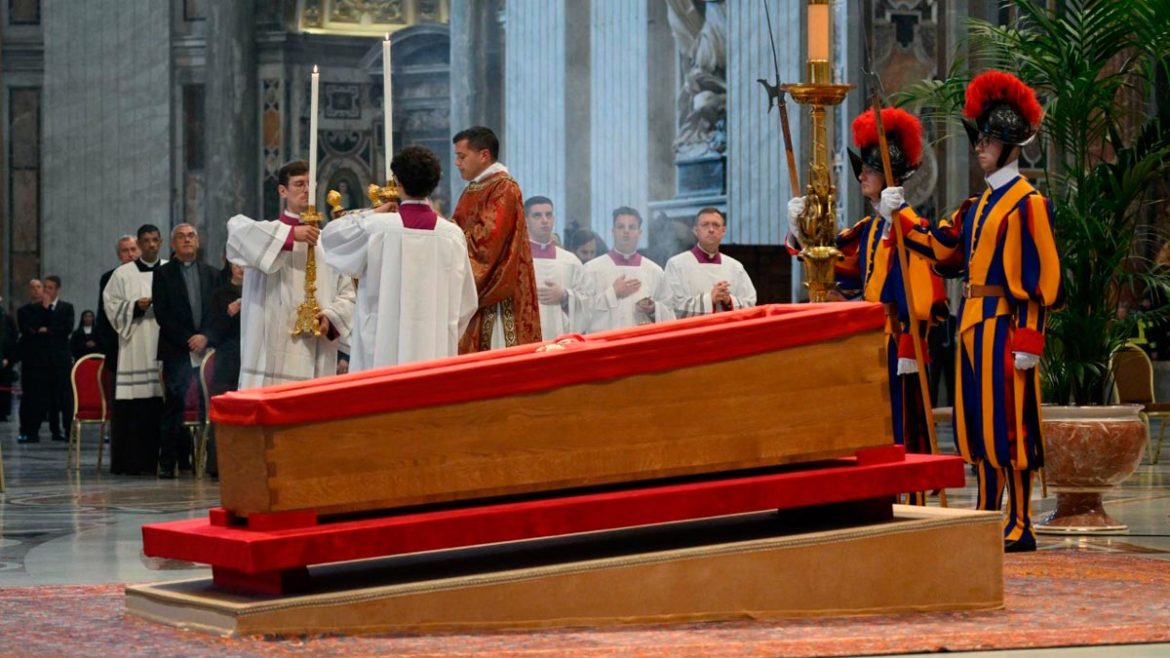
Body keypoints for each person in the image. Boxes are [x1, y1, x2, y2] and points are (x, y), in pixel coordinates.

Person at [898, 70, 1063, 552]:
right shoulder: (977, 204)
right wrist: (900, 213)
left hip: (1006, 327)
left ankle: (1021, 521)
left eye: (989, 140)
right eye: (980, 139)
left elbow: (1038, 279)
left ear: (1011, 147)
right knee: (978, 426)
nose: (980, 147)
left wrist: (1030, 338)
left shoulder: (1028, 204)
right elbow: (944, 249)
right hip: (972, 323)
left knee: (1010, 427)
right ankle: (988, 514)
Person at [789, 108, 946, 498]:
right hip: (874, 337)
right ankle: (884, 494)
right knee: (878, 425)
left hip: (901, 339)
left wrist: (909, 344)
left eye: (870, 171)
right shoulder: (871, 227)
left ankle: (912, 496)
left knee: (905, 423)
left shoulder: (913, 227)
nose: (861, 176)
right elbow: (835, 263)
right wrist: (801, 229)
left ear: (889, 178)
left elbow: (921, 291)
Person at [322, 145, 478, 370]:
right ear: (434, 184)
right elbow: (467, 303)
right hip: (433, 349)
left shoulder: (377, 228)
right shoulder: (452, 235)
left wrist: (374, 212)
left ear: (397, 183)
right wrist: (442, 331)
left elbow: (331, 236)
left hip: (381, 349)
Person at [226, 159, 356, 388]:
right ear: (282, 191)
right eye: (299, 184)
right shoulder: (268, 235)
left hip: (317, 349)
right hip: (272, 352)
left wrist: (331, 317)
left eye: (310, 184)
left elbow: (349, 293)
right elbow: (236, 231)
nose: (306, 190)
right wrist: (291, 235)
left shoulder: (327, 243)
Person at [449, 126, 541, 352]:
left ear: (484, 155)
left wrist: (448, 236)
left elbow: (487, 243)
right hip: (477, 296)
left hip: (498, 294)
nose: (457, 163)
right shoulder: (473, 189)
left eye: (462, 157)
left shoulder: (504, 187)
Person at [152, 224, 218, 478]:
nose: (187, 240)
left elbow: (216, 311)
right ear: (172, 244)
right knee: (174, 406)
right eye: (181, 237)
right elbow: (162, 314)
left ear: (198, 242)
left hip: (206, 349)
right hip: (176, 349)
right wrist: (188, 339)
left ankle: (209, 462)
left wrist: (205, 336)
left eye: (191, 236)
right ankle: (168, 463)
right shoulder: (163, 274)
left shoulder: (211, 274)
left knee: (207, 405)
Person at [103, 224, 166, 474]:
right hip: (134, 344)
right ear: (139, 244)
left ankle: (165, 461)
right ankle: (131, 462)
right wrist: (134, 307)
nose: (151, 244)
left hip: (164, 343)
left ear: (161, 242)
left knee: (162, 404)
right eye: (146, 241)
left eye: (155, 240)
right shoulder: (122, 274)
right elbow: (110, 306)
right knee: (135, 408)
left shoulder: (169, 269)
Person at [585, 207, 674, 332]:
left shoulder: (655, 271)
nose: (626, 231)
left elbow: (670, 312)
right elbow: (581, 312)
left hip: (642, 341)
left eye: (632, 227)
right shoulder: (592, 269)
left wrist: (654, 309)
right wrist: (613, 293)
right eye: (621, 227)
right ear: (613, 231)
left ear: (639, 233)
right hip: (606, 341)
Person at [663, 208, 756, 317]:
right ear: (695, 230)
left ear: (723, 231)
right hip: (695, 328)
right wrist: (709, 299)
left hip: (727, 327)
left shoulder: (735, 267)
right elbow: (671, 306)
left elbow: (750, 304)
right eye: (705, 225)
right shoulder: (676, 264)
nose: (711, 229)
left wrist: (729, 300)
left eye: (716, 225)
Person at [523, 195, 593, 339]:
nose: (545, 220)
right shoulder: (516, 260)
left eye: (548, 215)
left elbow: (589, 301)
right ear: (525, 221)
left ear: (554, 219)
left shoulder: (570, 261)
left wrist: (564, 296)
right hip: (525, 337)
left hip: (561, 341)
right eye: (537, 215)